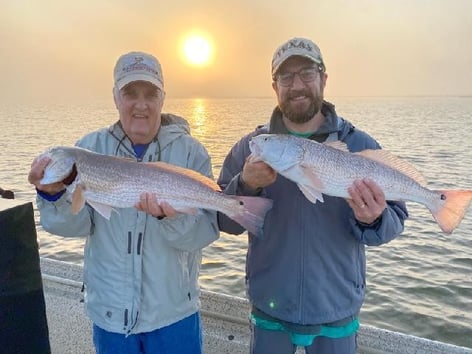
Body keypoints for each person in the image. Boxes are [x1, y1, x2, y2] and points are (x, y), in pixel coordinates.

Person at [217, 37, 408, 354]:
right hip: (270, 306)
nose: (297, 85)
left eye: (306, 73)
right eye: (286, 77)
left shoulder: (360, 145)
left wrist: (374, 219)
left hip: (336, 309)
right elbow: (224, 222)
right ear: (274, 85)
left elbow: (395, 221)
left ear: (324, 78)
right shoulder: (251, 147)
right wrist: (246, 185)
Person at [28, 51, 219, 354]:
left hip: (174, 317)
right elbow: (71, 226)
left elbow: (205, 234)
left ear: (163, 98)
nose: (141, 104)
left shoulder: (191, 153)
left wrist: (172, 218)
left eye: (150, 94)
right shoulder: (89, 148)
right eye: (130, 93)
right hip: (110, 317)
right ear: (116, 97)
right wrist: (52, 195)